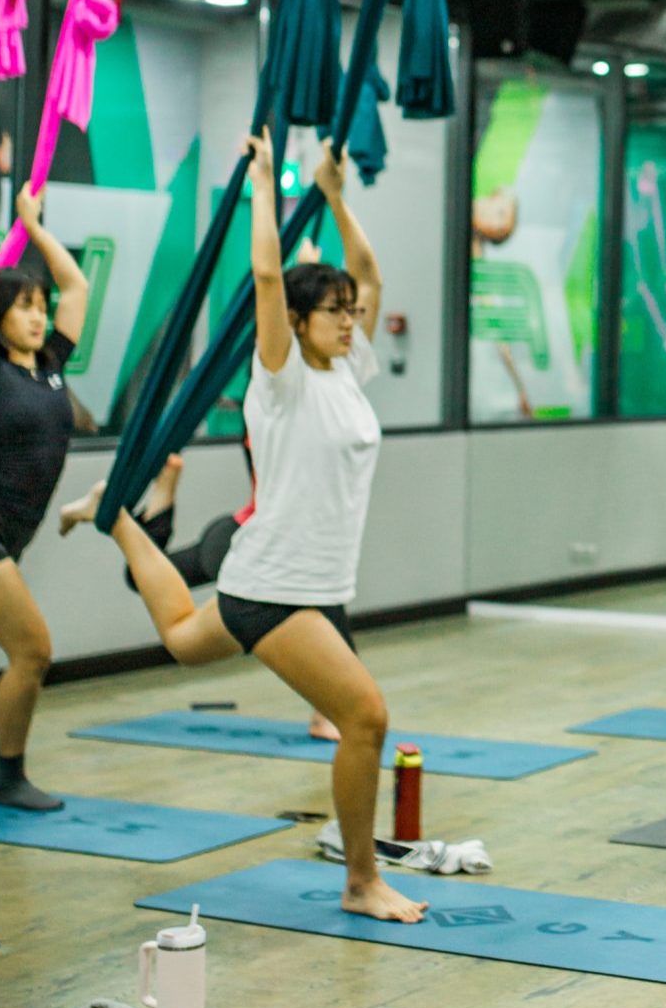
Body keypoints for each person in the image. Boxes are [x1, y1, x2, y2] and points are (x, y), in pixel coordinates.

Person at [65, 132, 423, 923]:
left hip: (307, 580)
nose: (349, 318)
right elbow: (266, 272)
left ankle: (116, 516)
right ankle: (361, 879)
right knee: (366, 716)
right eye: (333, 312)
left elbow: (371, 273)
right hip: (279, 584)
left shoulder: (347, 370)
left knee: (185, 639)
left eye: (349, 313)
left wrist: (333, 192)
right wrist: (265, 181)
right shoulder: (282, 377)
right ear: (297, 321)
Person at [0, 184, 89, 808]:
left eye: (40, 305)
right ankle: (10, 777)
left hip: (6, 535)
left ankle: (9, 775)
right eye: (23, 307)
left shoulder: (51, 366)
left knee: (27, 650)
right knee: (33, 648)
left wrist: (33, 226)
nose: (39, 314)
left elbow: (79, 289)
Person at [101, 444, 344, 740]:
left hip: (235, 534)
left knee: (139, 575)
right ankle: (328, 713)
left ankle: (160, 502)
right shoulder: (285, 423)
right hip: (248, 542)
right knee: (320, 593)